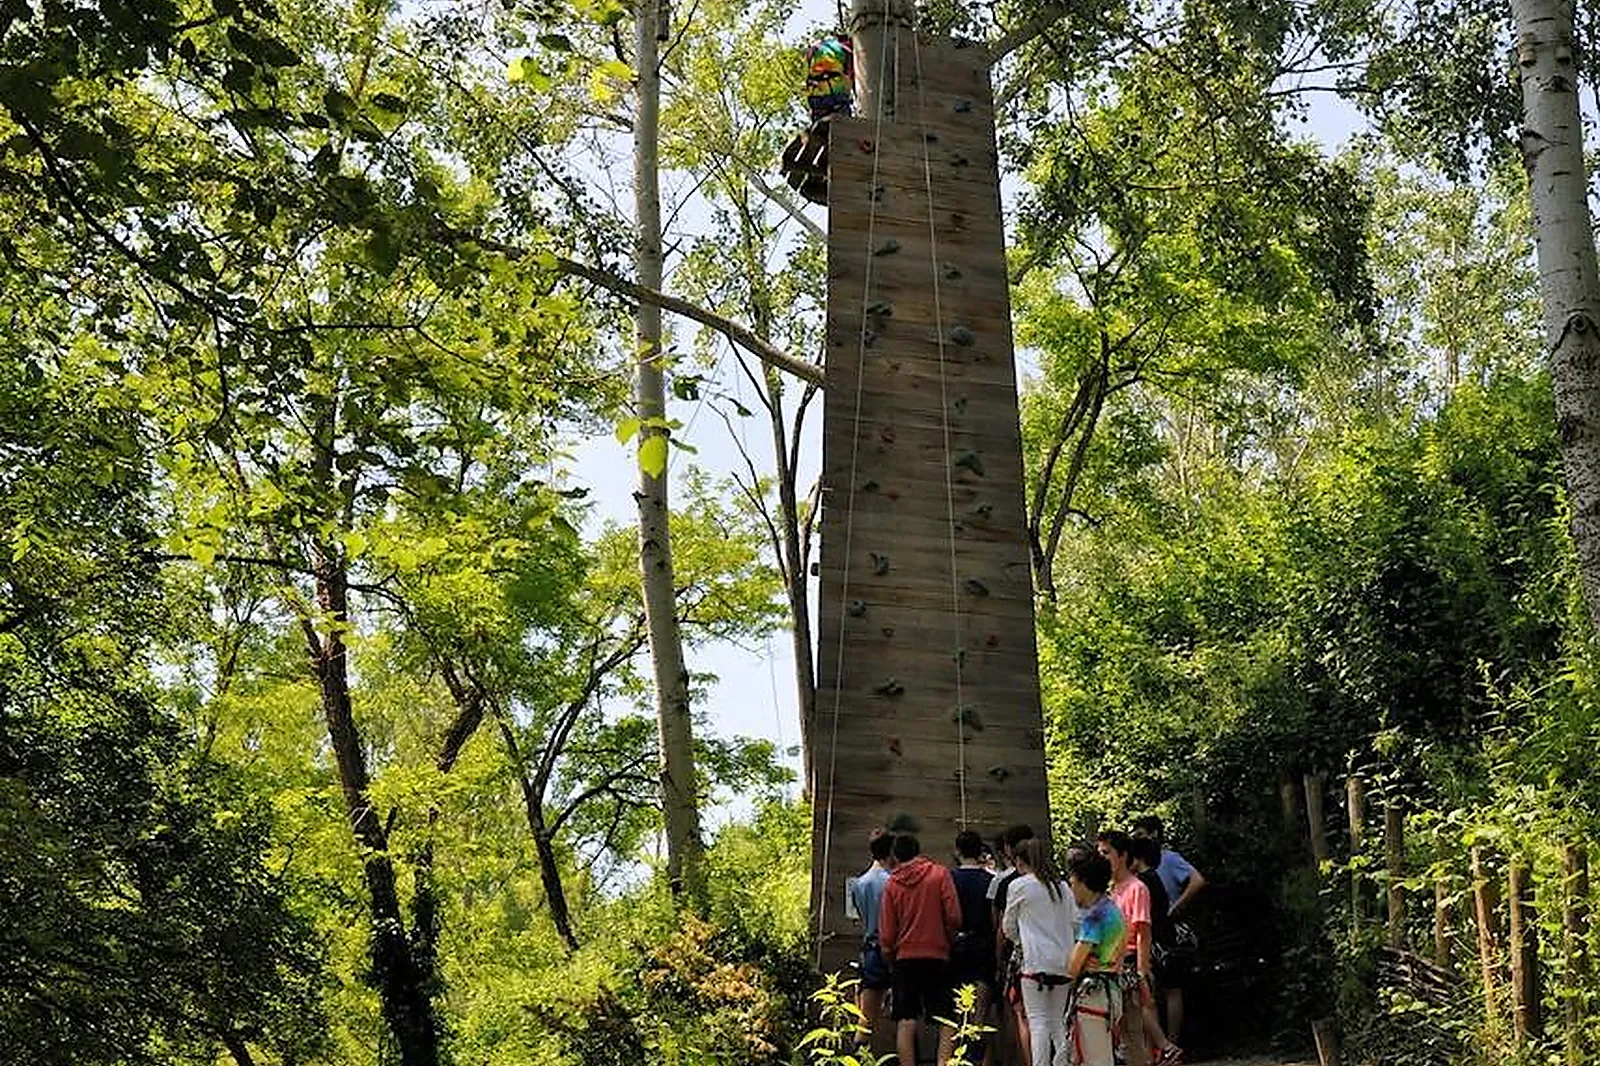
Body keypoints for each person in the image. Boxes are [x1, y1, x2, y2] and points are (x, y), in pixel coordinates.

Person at [1098, 832, 1181, 1066]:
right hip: (1113, 962)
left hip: (1132, 961)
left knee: (1140, 1017)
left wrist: (1143, 970)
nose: (1102, 858)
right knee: (1126, 1029)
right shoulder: (1109, 889)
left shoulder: (1137, 888)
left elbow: (1143, 930)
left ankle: (1164, 1048)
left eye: (1107, 853)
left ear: (1123, 855)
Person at [879, 833, 961, 1066]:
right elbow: (954, 916)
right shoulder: (940, 874)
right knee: (947, 1018)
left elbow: (886, 933)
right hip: (938, 956)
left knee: (906, 1019)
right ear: (918, 850)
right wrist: (947, 937)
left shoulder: (892, 884)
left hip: (904, 959)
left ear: (896, 855)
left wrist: (889, 957)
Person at [1001, 839, 1078, 1066]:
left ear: (1019, 861)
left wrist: (1021, 941)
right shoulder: (1063, 887)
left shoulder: (1019, 886)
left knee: (1038, 1023)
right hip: (1064, 962)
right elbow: (1075, 922)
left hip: (1034, 963)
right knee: (1058, 1021)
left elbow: (1008, 926)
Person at [1132, 816, 1206, 1043]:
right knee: (1156, 990)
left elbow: (1198, 880)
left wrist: (1177, 906)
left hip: (1163, 930)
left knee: (1169, 988)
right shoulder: (1143, 874)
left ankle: (1170, 1043)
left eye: (1140, 835)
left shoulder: (1168, 860)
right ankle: (1162, 1043)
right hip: (1153, 928)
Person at [1065, 851, 1128, 1066]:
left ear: (1083, 881)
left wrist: (1080, 964)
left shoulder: (1094, 918)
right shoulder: (1114, 911)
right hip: (1112, 992)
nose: (1070, 884)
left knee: (1094, 1059)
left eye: (1072, 879)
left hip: (1092, 995)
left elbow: (1072, 966)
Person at [990, 824, 1035, 1066]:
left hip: (1019, 957)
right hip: (1057, 958)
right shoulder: (1057, 883)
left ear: (1009, 848)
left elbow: (1001, 926)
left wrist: (997, 958)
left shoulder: (1007, 883)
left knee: (1019, 1014)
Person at [950, 831, 996, 1054]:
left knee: (958, 1002)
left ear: (957, 851)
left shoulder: (950, 879)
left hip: (958, 944)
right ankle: (978, 1043)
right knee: (982, 1004)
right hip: (985, 943)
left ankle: (961, 1045)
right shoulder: (991, 880)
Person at [850, 830, 895, 1048]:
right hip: (893, 951)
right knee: (906, 1017)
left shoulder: (858, 884)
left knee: (866, 1020)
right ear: (891, 852)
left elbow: (859, 915)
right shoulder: (893, 882)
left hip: (870, 951)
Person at [804, 33, 855, 121]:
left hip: (815, 96)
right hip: (836, 96)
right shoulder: (847, 51)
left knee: (820, 130)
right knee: (843, 128)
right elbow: (851, 76)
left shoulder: (817, 48)